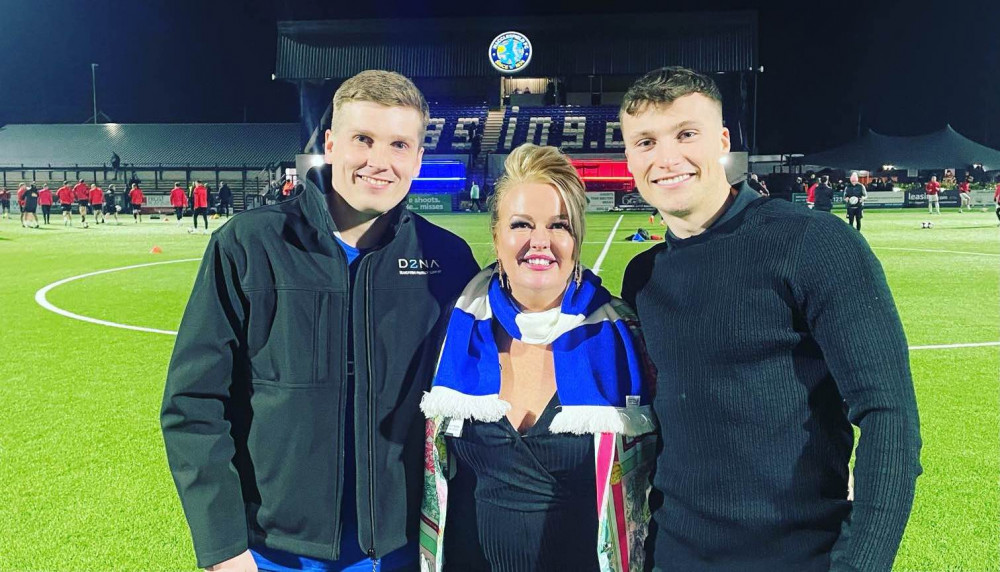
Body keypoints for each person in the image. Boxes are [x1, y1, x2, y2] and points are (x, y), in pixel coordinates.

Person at [161, 69, 479, 572]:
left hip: (404, 547)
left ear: (419, 158)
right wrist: (223, 545)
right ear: (330, 144)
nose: (380, 161)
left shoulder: (449, 259)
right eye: (363, 139)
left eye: (399, 144)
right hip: (275, 551)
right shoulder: (249, 245)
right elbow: (194, 403)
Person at [618, 66, 921, 572]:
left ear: (721, 141)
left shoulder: (813, 243)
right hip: (673, 558)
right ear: (629, 156)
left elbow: (890, 417)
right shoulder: (643, 276)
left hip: (797, 558)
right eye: (645, 141)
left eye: (685, 134)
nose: (666, 158)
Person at [419, 144, 657, 572]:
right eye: (521, 224)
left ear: (576, 239)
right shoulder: (454, 328)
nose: (540, 241)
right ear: (496, 236)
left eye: (559, 225)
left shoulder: (627, 336)